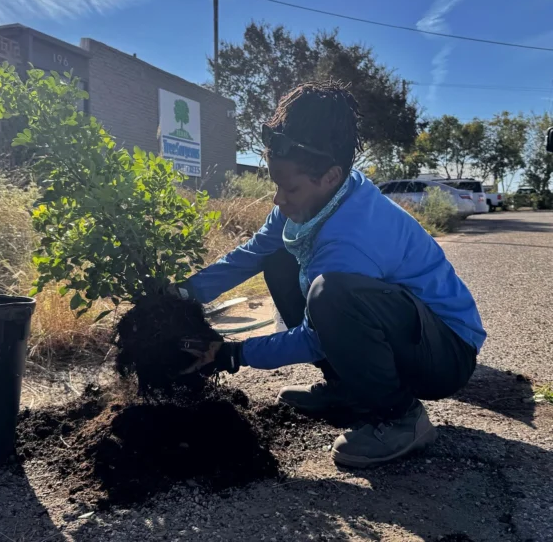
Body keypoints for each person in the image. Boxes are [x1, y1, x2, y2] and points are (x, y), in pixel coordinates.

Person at [177, 81, 485, 469]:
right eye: (276, 185)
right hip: (404, 333)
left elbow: (315, 336)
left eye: (288, 188)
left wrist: (232, 355)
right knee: (277, 258)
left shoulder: (351, 236)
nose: (277, 199)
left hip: (444, 353)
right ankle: (347, 389)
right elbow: (253, 252)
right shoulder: (316, 198)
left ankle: (400, 417)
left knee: (331, 294)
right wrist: (185, 294)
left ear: (330, 176)